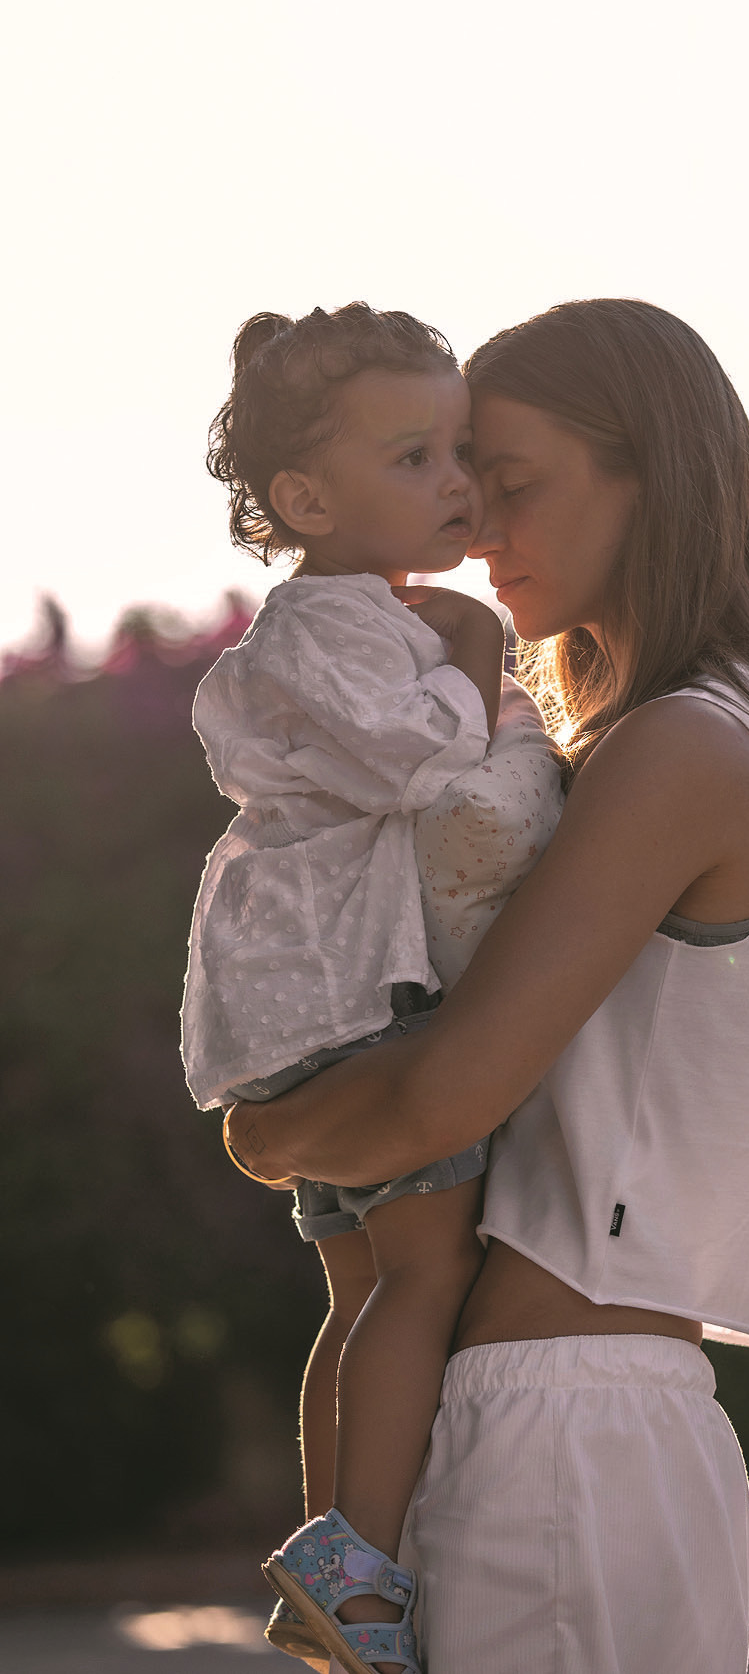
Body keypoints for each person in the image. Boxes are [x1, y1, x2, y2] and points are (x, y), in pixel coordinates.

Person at [224, 297, 749, 1674]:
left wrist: (265, 1132)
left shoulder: (683, 750)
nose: (474, 528)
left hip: (559, 1430)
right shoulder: (691, 736)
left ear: (649, 473)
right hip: (578, 1425)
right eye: (458, 479)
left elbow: (444, 1096)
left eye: (510, 483)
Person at [182, 303, 562, 1674]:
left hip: (306, 996)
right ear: (305, 500)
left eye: (459, 450)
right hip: (344, 994)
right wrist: (476, 651)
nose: (456, 481)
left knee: (359, 1292)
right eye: (413, 457)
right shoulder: (334, 625)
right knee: (425, 1270)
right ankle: (362, 1573)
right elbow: (427, 767)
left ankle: (337, 1558)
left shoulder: (345, 619)